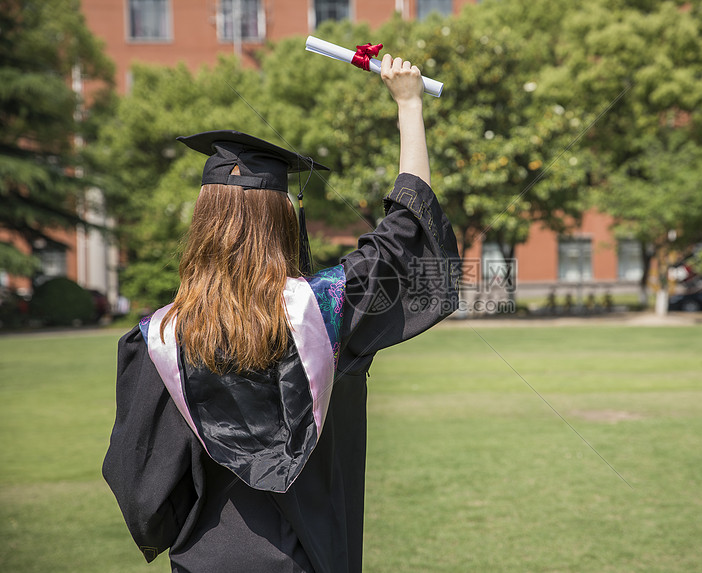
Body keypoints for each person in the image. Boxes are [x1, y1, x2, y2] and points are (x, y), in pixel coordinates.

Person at [103, 55, 460, 573]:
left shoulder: (160, 337)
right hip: (302, 557)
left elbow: (138, 475)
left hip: (205, 558)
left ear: (204, 221)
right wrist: (409, 105)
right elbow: (403, 237)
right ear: (281, 222)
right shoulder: (324, 311)